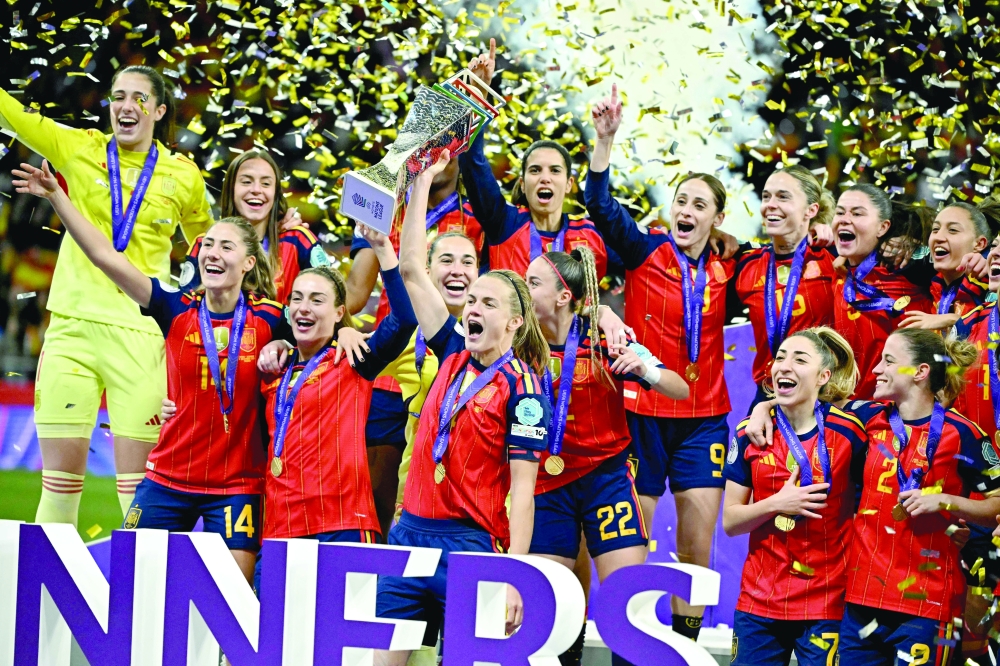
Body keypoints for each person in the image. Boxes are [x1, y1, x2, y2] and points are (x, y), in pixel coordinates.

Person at [13, 161, 281, 584]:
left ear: (249, 263)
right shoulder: (174, 310)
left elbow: (321, 333)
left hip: (236, 485)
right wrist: (56, 197)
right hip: (168, 479)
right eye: (208, 244)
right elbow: (105, 257)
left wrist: (288, 345)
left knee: (235, 607)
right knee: (134, 593)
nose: (212, 252)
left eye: (226, 247)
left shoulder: (272, 321)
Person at [1, 67, 213, 524]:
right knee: (58, 487)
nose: (126, 105)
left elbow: (209, 245)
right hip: (71, 329)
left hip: (141, 336)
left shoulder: (184, 176)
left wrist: (190, 303)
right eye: (118, 96)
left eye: (139, 98)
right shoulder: (80, 148)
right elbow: (15, 116)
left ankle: (146, 596)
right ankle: (48, 598)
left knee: (138, 497)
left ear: (158, 110)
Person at [375, 149, 551, 665]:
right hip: (409, 535)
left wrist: (517, 577)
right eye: (471, 300)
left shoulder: (524, 392)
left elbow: (523, 493)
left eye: (487, 304)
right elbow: (411, 267)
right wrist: (423, 180)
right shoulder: (452, 347)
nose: (471, 308)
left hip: (472, 549)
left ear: (515, 324)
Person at [585, 85, 735, 641]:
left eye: (699, 205)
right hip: (642, 414)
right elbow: (600, 206)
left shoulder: (732, 269)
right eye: (681, 201)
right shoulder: (645, 251)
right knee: (633, 537)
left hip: (703, 420)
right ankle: (636, 639)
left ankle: (686, 645)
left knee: (697, 541)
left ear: (716, 217)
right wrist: (605, 142)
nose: (686, 211)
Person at [525, 246, 689, 665]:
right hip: (547, 485)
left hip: (607, 480)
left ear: (564, 296)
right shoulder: (520, 340)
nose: (523, 290)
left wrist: (644, 369)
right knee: (546, 610)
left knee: (626, 607)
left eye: (533, 283)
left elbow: (680, 389)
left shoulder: (608, 340)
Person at [251, 226, 416, 591]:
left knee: (344, 649)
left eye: (317, 299)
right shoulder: (274, 367)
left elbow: (405, 319)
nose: (303, 307)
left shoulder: (353, 358)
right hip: (281, 530)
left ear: (340, 310)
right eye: (296, 298)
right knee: (271, 644)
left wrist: (383, 250)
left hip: (342, 529)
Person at [837, 329, 1000, 665]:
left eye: (888, 360)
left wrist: (946, 502)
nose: (876, 369)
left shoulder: (963, 434)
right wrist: (764, 409)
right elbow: (799, 410)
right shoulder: (865, 417)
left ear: (920, 372)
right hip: (861, 598)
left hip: (925, 603)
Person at [344, 155, 485, 542]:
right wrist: (343, 332)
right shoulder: (406, 337)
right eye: (445, 260)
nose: (457, 269)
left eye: (467, 261)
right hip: (417, 498)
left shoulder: (493, 343)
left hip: (474, 503)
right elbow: (404, 273)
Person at [723, 327, 866, 666]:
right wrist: (776, 504)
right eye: (781, 358)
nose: (784, 366)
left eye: (799, 359)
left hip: (826, 601)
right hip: (759, 601)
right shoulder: (750, 433)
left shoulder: (851, 432)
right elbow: (730, 521)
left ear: (823, 375)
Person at [462, 39, 614, 278]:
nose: (544, 178)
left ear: (569, 184)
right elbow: (473, 163)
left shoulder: (590, 236)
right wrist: (478, 93)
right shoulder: (504, 222)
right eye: (535, 171)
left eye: (555, 170)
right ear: (522, 183)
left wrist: (605, 141)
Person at [735, 167, 837, 407]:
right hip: (769, 397)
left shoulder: (833, 258)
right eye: (766, 196)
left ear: (811, 210)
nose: (770, 204)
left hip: (827, 397)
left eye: (783, 197)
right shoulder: (746, 265)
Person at [180, 149, 326, 304]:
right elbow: (182, 313)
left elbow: (331, 298)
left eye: (266, 183)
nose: (256, 190)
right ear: (231, 189)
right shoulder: (204, 246)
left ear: (275, 194)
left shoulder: (298, 241)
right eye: (246, 182)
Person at [832, 185, 934, 398]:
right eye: (840, 212)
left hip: (899, 408)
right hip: (850, 407)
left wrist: (916, 250)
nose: (844, 218)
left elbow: (948, 258)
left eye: (857, 213)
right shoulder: (838, 272)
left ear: (883, 227)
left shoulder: (906, 267)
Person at [898, 199, 998, 332]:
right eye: (935, 229)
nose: (939, 237)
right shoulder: (931, 283)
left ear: (979, 244)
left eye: (953, 230)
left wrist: (952, 320)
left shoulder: (990, 286)